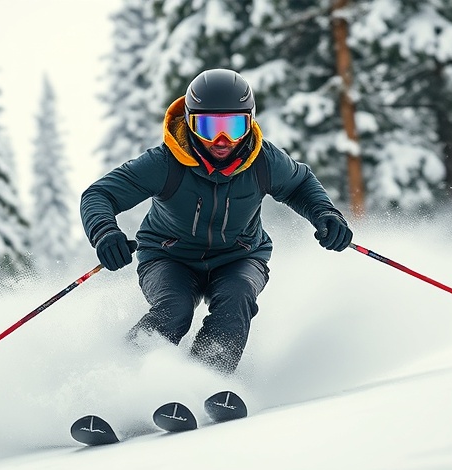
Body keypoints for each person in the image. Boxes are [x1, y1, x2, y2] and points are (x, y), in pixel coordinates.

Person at [80, 68, 353, 373]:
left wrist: (326, 214)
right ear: (191, 123)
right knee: (174, 309)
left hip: (240, 256)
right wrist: (105, 233)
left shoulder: (264, 161)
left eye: (235, 127)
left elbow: (300, 184)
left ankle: (204, 382)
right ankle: (120, 381)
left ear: (250, 123)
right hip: (169, 257)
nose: (222, 140)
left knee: (237, 299)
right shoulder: (165, 163)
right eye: (209, 127)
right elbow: (99, 194)